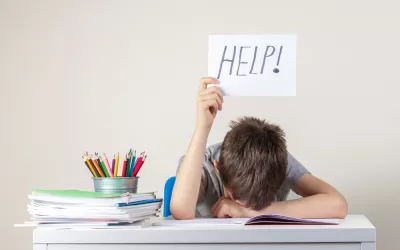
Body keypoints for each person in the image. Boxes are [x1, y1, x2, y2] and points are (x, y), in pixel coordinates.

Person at [170, 77, 348, 219]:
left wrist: (250, 213)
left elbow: (337, 204)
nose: (245, 207)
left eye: (261, 202)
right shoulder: (202, 163)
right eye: (238, 200)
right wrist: (203, 126)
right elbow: (181, 210)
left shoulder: (276, 159)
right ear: (217, 168)